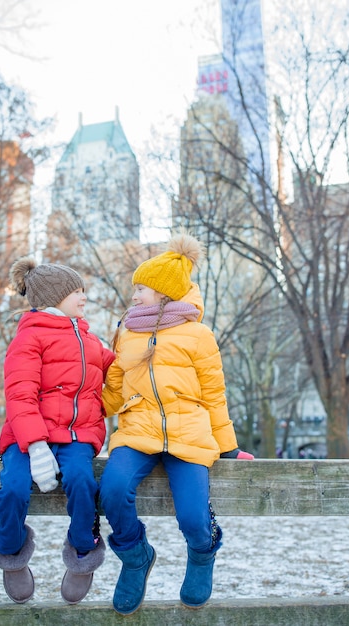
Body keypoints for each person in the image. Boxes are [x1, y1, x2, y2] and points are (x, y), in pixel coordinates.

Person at [99, 233, 254, 616]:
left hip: (190, 434)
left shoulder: (199, 336)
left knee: (192, 515)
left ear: (164, 293)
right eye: (134, 289)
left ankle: (202, 554)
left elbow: (214, 394)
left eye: (141, 289)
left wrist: (228, 445)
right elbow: (114, 390)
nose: (133, 295)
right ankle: (136, 555)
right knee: (113, 491)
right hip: (136, 431)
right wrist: (76, 416)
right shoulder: (127, 333)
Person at [0, 257, 115, 605]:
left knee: (83, 483)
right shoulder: (29, 337)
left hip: (77, 435)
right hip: (26, 435)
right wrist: (36, 445)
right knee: (13, 489)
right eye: (77, 291)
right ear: (54, 296)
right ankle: (11, 554)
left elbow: (117, 369)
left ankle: (81, 555)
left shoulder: (90, 339)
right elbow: (20, 394)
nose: (83, 297)